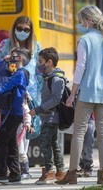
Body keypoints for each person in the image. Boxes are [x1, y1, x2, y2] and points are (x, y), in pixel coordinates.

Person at [56, 5, 103, 185]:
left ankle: (72, 173)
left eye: (81, 20)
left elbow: (80, 68)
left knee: (79, 133)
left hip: (87, 93)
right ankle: (102, 173)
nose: (80, 24)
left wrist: (72, 94)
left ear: (88, 20)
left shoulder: (84, 40)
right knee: (102, 133)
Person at [0, 15, 42, 179]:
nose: (22, 32)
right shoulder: (5, 45)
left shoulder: (36, 47)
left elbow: (39, 73)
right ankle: (15, 169)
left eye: (26, 30)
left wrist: (39, 97)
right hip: (8, 95)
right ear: (14, 29)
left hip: (29, 95)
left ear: (30, 31)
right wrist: (5, 60)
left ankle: (21, 168)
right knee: (10, 134)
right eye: (19, 28)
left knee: (24, 132)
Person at [0, 48, 31, 184]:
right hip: (9, 112)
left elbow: (5, 85)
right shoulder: (16, 72)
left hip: (12, 113)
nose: (11, 58)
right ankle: (15, 174)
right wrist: (3, 61)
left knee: (1, 142)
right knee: (11, 144)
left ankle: (1, 173)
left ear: (20, 59)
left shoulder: (20, 74)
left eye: (14, 56)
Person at [29, 47, 66, 184]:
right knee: (54, 144)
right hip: (48, 117)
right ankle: (60, 171)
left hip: (52, 117)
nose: (39, 64)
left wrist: (38, 109)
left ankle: (50, 170)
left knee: (44, 143)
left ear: (49, 62)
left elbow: (56, 99)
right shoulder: (48, 77)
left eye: (40, 61)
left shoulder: (56, 79)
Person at [76, 113, 96, 178]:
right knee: (77, 142)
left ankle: (87, 166)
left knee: (88, 141)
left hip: (90, 117)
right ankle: (81, 166)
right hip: (77, 116)